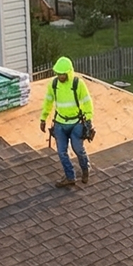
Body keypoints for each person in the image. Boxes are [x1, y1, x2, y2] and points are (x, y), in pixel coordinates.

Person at [38, 56, 95, 187]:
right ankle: (70, 177)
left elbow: (87, 102)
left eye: (62, 74)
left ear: (69, 73)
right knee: (62, 152)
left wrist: (88, 118)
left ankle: (85, 169)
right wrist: (43, 118)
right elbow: (48, 102)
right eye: (58, 74)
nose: (60, 77)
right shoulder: (54, 84)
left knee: (78, 149)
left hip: (76, 123)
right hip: (60, 123)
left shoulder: (77, 84)